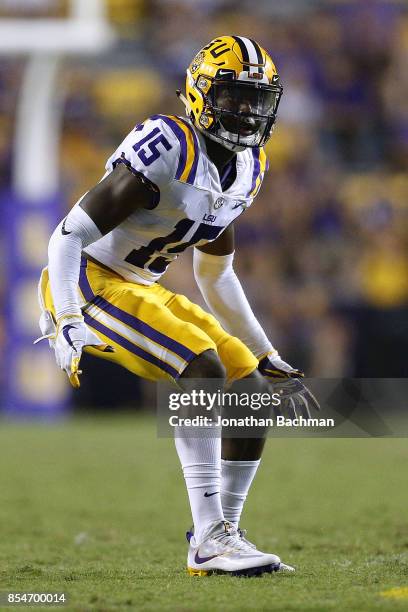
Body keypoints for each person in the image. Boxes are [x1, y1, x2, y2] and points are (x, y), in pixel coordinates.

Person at [36, 36, 319, 577]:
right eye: (235, 97)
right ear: (200, 93)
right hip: (89, 281)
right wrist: (67, 317)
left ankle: (224, 533)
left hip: (141, 285)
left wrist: (265, 351)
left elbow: (216, 272)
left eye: (257, 100)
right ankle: (209, 539)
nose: (247, 112)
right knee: (202, 368)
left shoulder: (247, 167)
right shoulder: (169, 144)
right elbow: (67, 235)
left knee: (251, 389)